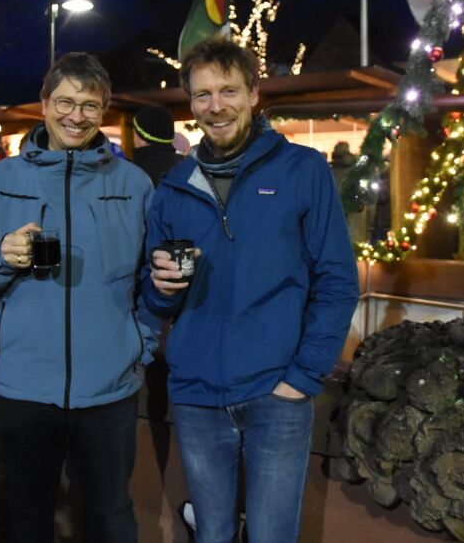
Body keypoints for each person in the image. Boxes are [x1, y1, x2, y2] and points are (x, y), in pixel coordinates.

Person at [142, 38, 358, 543]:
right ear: (191, 103)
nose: (215, 106)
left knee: (270, 536)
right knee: (212, 534)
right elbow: (155, 299)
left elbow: (337, 280)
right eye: (202, 95)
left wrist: (302, 376)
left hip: (276, 392)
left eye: (228, 91)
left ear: (254, 94)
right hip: (195, 394)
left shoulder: (302, 169)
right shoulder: (174, 186)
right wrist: (160, 289)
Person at [0, 53, 157, 543]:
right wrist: (0, 255)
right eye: (64, 102)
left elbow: (151, 281)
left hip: (109, 388)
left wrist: (138, 347)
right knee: (29, 516)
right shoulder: (1, 179)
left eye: (89, 105)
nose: (75, 116)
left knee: (111, 516)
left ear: (103, 110)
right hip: (24, 386)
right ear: (43, 104)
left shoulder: (133, 184)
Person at [131, 105, 183, 187]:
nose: (133, 140)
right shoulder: (184, 167)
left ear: (144, 139)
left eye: (134, 134)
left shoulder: (135, 172)